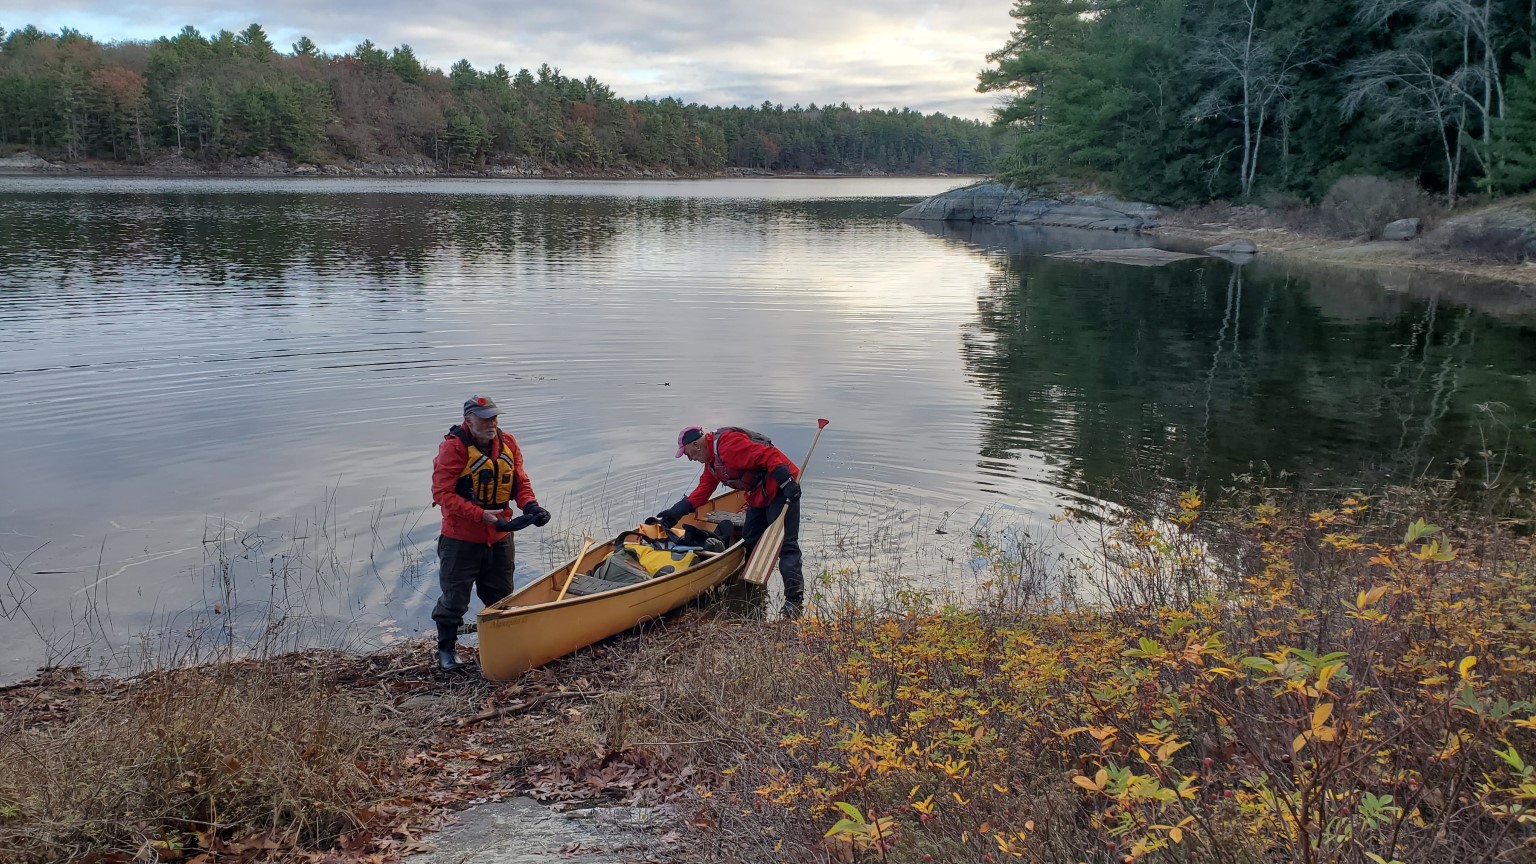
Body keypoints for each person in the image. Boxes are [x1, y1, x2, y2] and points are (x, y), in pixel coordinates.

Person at [429, 395, 551, 671]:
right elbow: (442, 493)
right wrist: (479, 514)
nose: (491, 423)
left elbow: (520, 482)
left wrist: (531, 506)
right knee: (454, 599)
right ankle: (446, 651)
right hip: (460, 539)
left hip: (499, 538)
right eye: (484, 418)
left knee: (502, 597)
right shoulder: (453, 448)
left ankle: (502, 649)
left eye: (494, 417)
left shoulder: (509, 443)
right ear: (469, 420)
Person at [655, 426, 803, 618]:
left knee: (787, 547)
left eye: (688, 453)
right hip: (758, 494)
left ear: (696, 445)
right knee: (750, 538)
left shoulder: (728, 445)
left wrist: (787, 483)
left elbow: (768, 455)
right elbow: (703, 491)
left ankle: (794, 602)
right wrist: (675, 513)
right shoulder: (712, 463)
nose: (689, 458)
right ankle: (753, 587)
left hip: (782, 488)